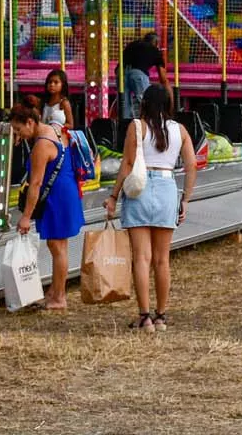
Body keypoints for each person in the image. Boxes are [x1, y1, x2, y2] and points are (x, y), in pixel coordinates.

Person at [103, 84, 196, 332]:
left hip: (139, 189)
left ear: (144, 103)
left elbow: (128, 163)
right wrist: (185, 199)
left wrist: (113, 196)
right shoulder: (181, 130)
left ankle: (144, 317)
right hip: (167, 188)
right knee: (162, 260)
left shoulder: (137, 127)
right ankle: (161, 316)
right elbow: (192, 165)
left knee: (141, 259)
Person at [12, 96, 83, 310]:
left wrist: (26, 216)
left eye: (18, 130)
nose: (18, 136)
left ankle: (59, 297)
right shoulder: (55, 129)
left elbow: (35, 184)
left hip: (56, 198)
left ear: (30, 123)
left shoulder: (41, 146)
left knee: (56, 246)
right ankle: (55, 291)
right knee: (59, 245)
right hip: (66, 192)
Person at [121, 32, 166, 120]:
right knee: (145, 99)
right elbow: (163, 77)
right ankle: (148, 122)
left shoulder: (133, 44)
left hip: (121, 72)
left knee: (124, 103)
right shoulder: (154, 50)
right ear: (156, 42)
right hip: (138, 73)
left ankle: (125, 124)